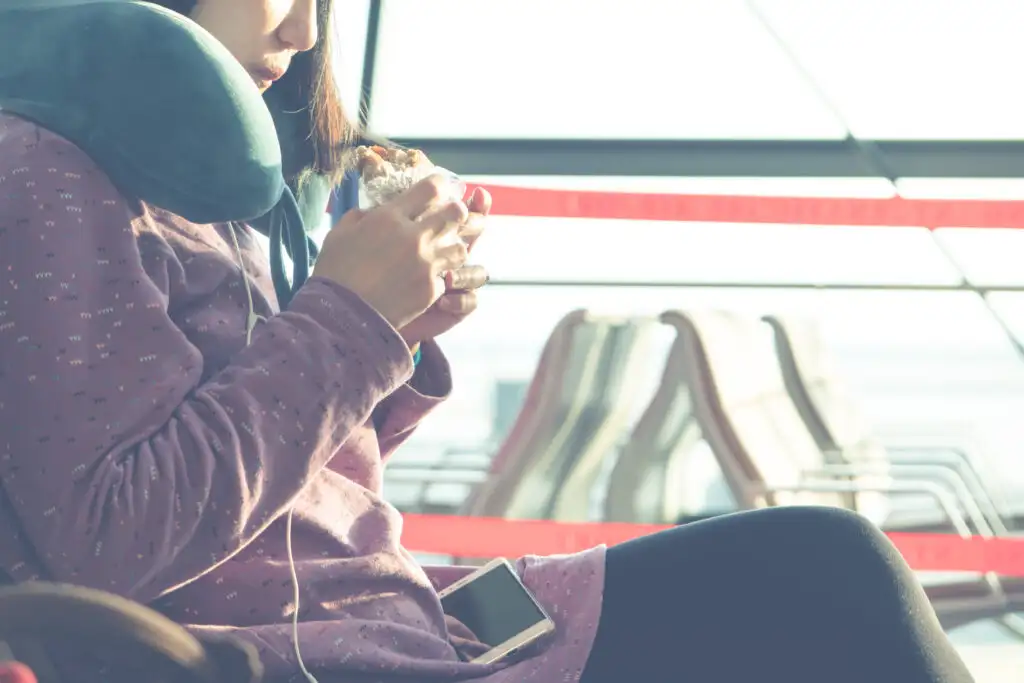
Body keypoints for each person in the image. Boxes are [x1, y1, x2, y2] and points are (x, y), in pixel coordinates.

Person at [0, 0, 978, 682]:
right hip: (301, 657)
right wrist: (351, 320)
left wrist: (393, 340)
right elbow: (111, 540)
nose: (301, 32)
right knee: (821, 575)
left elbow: (265, 502)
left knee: (822, 568)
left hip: (390, 623)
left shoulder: (189, 178)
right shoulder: (46, 169)